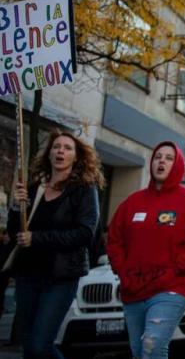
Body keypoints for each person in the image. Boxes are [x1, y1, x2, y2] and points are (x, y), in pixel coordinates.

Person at [107, 141, 185, 359]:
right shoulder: (132, 202)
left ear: (178, 164)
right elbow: (114, 239)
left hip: (171, 287)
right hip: (133, 289)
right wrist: (122, 271)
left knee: (152, 346)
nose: (161, 161)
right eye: (157, 157)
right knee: (138, 352)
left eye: (169, 158)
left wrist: (178, 268)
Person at [9, 130, 103, 358]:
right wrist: (15, 206)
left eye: (67, 148)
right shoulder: (34, 188)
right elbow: (16, 234)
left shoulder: (84, 190)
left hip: (60, 277)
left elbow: (84, 234)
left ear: (76, 157)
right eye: (56, 147)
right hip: (28, 275)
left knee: (41, 344)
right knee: (29, 346)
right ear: (49, 154)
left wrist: (38, 238)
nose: (61, 151)